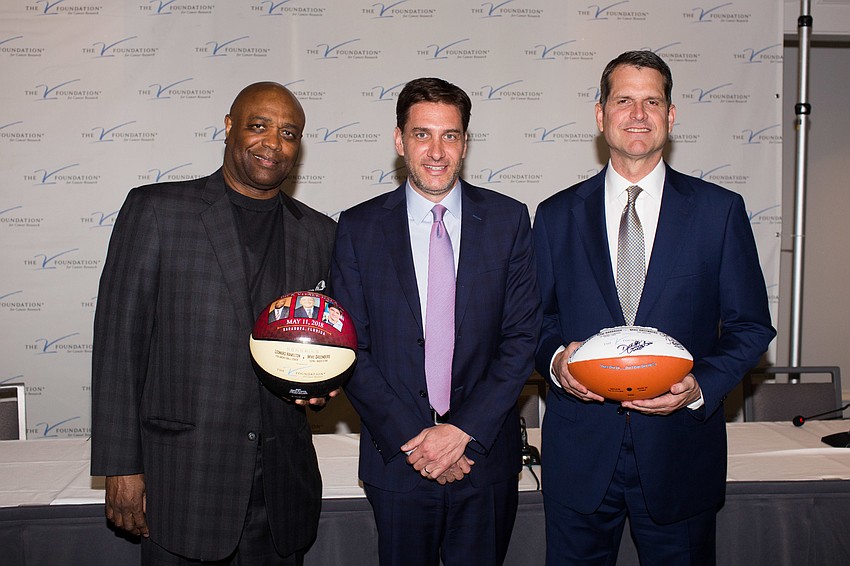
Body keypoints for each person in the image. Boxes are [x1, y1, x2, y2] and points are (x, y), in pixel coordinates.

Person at [533, 51, 776, 565]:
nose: (638, 114)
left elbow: (750, 325)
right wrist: (557, 361)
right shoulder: (554, 216)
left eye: (652, 101)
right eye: (624, 100)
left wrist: (699, 386)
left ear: (670, 114)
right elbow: (533, 321)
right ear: (600, 115)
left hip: (680, 455)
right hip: (579, 457)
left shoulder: (719, 212)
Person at [91, 82, 337, 566]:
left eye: (289, 133)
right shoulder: (158, 211)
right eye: (259, 126)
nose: (273, 142)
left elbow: (327, 339)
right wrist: (121, 468)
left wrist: (322, 385)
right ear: (229, 127)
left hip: (283, 491)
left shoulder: (319, 233)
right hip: (183, 487)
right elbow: (119, 345)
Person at [330, 77, 541, 566]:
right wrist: (420, 442)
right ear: (400, 140)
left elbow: (521, 338)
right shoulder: (358, 228)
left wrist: (460, 432)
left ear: (466, 143)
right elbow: (350, 348)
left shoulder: (509, 221)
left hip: (483, 456)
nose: (437, 151)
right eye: (422, 134)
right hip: (398, 460)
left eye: (450, 135)